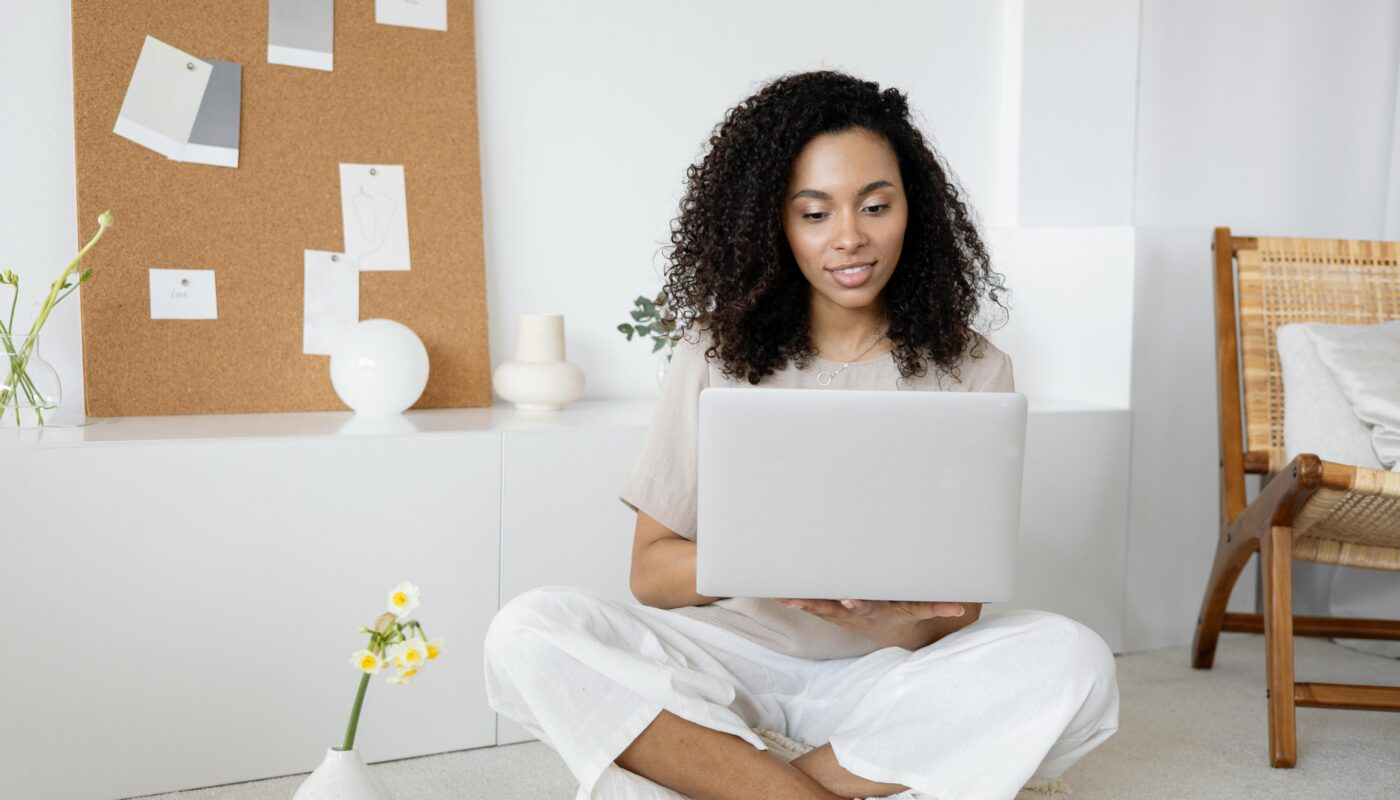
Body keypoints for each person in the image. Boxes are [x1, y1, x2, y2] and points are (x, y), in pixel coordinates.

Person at [484, 70, 1118, 800]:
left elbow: (960, 611)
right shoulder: (714, 353)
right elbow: (651, 576)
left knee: (1074, 661)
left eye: (875, 206)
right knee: (527, 630)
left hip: (886, 675)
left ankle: (733, 782)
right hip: (729, 665)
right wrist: (764, 564)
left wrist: (888, 617)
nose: (849, 238)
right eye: (814, 214)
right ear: (773, 224)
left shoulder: (974, 368)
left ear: (916, 209)